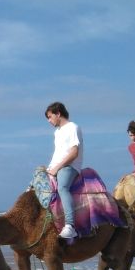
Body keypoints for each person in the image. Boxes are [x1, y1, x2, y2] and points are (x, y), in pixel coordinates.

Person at [45, 102, 84, 240]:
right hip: (56, 166)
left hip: (70, 166)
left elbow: (74, 153)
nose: (49, 121)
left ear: (58, 114)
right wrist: (49, 169)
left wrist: (57, 168)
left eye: (50, 117)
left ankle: (70, 226)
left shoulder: (73, 127)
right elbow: (57, 153)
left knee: (62, 188)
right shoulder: (57, 132)